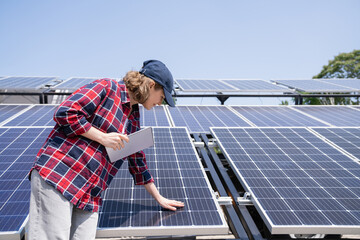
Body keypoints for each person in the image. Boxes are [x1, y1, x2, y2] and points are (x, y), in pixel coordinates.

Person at [28, 60, 184, 240]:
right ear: (151, 85)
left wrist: (159, 198)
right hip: (61, 176)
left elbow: (137, 160)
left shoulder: (133, 116)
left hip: (90, 193)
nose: (161, 102)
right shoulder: (107, 88)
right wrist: (103, 137)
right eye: (162, 97)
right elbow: (66, 112)